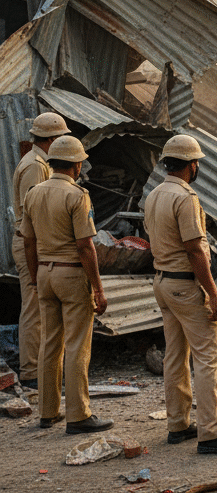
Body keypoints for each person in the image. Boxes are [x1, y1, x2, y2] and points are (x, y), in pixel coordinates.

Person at [145, 134, 217, 455]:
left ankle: (178, 424)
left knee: (175, 355)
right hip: (185, 285)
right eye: (197, 163)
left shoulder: (154, 195)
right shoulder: (185, 197)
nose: (197, 168)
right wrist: (213, 295)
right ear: (191, 166)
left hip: (162, 283)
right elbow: (194, 250)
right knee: (206, 356)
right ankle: (211, 433)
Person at [20, 135, 111, 434]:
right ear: (77, 164)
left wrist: (34, 278)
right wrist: (98, 288)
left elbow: (28, 243)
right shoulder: (77, 195)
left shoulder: (33, 193)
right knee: (76, 345)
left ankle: (48, 412)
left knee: (50, 343)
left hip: (44, 274)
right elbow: (86, 246)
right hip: (71, 274)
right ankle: (79, 415)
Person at [11, 112, 71, 390]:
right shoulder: (36, 166)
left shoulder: (38, 161)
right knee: (34, 308)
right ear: (50, 140)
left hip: (34, 241)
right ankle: (31, 371)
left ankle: (39, 368)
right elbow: (33, 214)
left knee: (39, 307)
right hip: (30, 242)